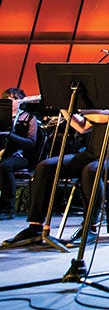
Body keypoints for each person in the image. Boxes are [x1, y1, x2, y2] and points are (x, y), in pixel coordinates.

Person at [5, 55, 109, 246]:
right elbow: (83, 127)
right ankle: (35, 226)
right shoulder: (106, 98)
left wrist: (80, 106)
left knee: (92, 170)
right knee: (46, 166)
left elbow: (105, 118)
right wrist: (64, 106)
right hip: (93, 153)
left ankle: (89, 227)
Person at [0, 88, 40, 220]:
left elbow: (31, 143)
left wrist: (10, 135)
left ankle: (8, 208)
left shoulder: (29, 117)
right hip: (3, 152)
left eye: (15, 98)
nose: (11, 101)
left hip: (21, 156)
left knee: (5, 166)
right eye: (8, 98)